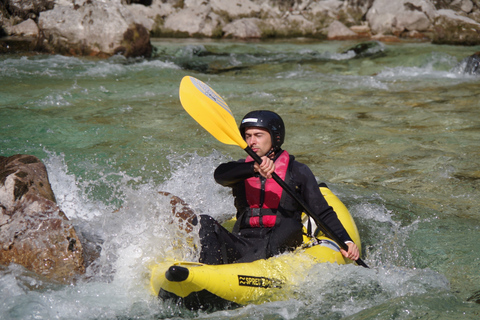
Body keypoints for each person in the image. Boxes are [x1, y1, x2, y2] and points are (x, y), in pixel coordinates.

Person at [198, 110, 359, 265]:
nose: (252, 141)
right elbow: (220, 175)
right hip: (244, 242)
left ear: (275, 138)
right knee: (204, 221)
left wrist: (346, 241)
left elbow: (321, 212)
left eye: (258, 135)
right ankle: (206, 273)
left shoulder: (297, 171)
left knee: (289, 224)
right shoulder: (242, 169)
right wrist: (253, 168)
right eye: (248, 136)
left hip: (280, 243)